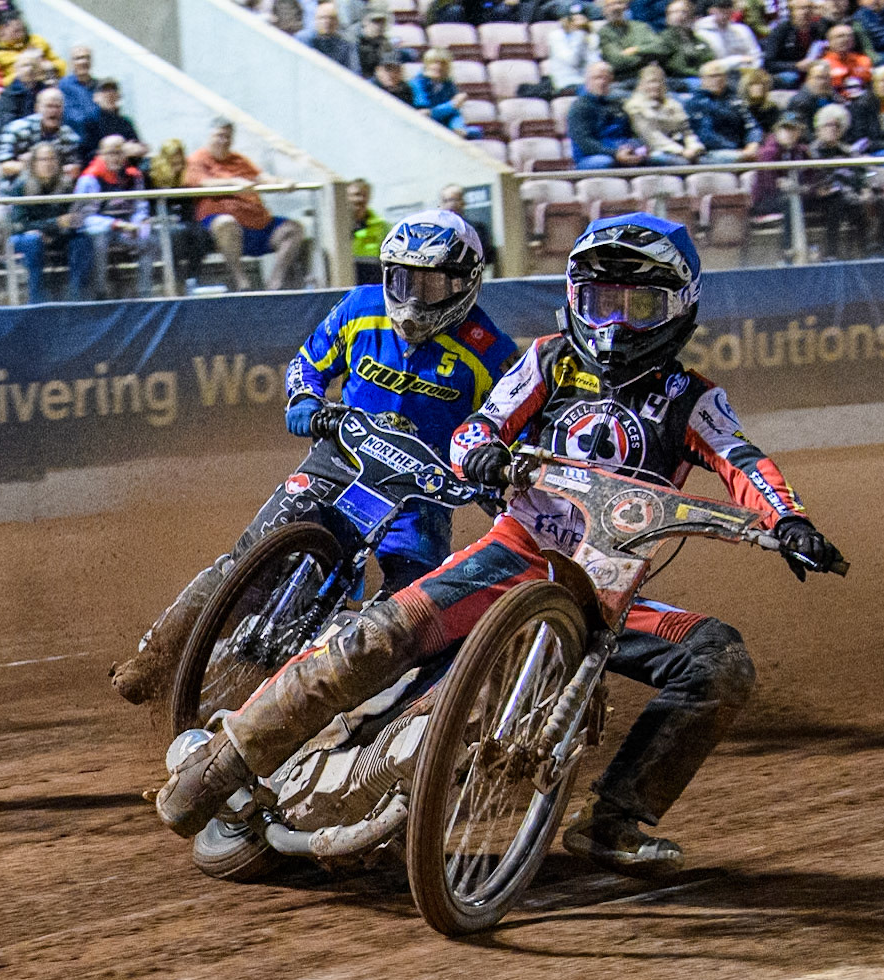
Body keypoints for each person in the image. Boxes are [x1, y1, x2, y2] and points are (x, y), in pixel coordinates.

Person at [155, 216, 844, 881]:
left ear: (677, 307)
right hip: (513, 553)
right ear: (575, 297)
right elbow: (476, 427)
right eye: (601, 301)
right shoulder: (544, 359)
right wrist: (481, 454)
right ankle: (224, 761)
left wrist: (788, 520)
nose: (614, 323)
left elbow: (741, 460)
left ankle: (612, 820)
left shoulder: (691, 397)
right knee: (375, 637)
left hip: (606, 592)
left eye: (639, 304)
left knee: (717, 657)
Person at [111, 210, 514, 705]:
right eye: (404, 280)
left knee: (408, 614)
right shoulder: (360, 308)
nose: (413, 298)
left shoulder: (492, 352)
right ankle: (155, 658)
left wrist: (493, 474)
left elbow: (504, 426)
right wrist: (304, 399)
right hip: (339, 459)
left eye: (432, 285)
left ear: (466, 283)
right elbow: (309, 363)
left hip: (419, 493)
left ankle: (358, 722)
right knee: (250, 555)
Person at [183, 117, 304, 292]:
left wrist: (282, 182)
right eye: (219, 136)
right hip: (221, 226)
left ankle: (275, 284)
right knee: (226, 223)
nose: (224, 141)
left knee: (293, 229)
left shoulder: (239, 160)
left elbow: (262, 177)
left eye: (228, 137)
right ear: (210, 136)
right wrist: (234, 182)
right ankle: (241, 283)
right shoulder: (197, 160)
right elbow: (202, 183)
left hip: (259, 223)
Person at [71, 134, 152, 300]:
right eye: (110, 153)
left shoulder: (134, 176)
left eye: (119, 152)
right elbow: (84, 217)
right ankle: (101, 292)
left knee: (148, 238)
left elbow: (141, 206)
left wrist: (140, 222)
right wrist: (116, 224)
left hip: (128, 227)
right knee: (99, 241)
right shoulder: (89, 178)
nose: (115, 158)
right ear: (101, 154)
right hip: (101, 229)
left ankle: (145, 292)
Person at [7, 140, 84, 304]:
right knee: (33, 240)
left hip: (56, 236)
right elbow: (18, 226)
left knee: (82, 240)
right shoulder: (21, 186)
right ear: (34, 163)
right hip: (24, 239)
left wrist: (60, 227)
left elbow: (71, 220)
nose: (48, 164)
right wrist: (54, 224)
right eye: (43, 160)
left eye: (52, 159)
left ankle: (78, 298)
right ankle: (36, 301)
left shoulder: (66, 186)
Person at [803, 104, 873, 255]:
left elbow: (862, 173)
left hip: (846, 195)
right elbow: (809, 177)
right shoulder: (810, 152)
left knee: (864, 202)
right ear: (819, 128)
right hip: (817, 196)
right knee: (837, 202)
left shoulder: (847, 151)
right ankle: (831, 253)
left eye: (836, 125)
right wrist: (819, 189)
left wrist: (865, 188)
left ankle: (866, 251)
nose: (832, 129)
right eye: (828, 125)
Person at [571, 59, 652, 167]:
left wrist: (639, 148)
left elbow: (628, 133)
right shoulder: (579, 107)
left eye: (606, 78)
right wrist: (615, 154)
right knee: (606, 162)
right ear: (587, 81)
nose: (602, 82)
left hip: (620, 149)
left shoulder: (618, 104)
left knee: (651, 158)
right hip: (590, 157)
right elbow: (586, 143)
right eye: (597, 78)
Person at [626, 61, 708, 161]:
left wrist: (694, 147)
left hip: (680, 146)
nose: (655, 85)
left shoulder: (674, 105)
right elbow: (653, 138)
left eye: (659, 81)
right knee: (680, 163)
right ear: (642, 85)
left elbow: (686, 131)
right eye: (651, 82)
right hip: (652, 149)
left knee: (706, 160)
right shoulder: (635, 106)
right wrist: (681, 151)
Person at [0, 85, 83, 177]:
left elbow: (74, 169)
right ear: (37, 108)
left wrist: (45, 166)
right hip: (19, 183)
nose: (53, 111)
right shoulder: (16, 129)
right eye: (49, 106)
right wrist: (40, 166)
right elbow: (4, 166)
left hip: (54, 184)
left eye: (57, 107)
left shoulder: (69, 136)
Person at [687, 58, 764, 158]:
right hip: (711, 153)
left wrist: (752, 144)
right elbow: (706, 136)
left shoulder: (735, 100)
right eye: (713, 76)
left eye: (721, 75)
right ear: (703, 79)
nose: (718, 79)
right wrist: (737, 150)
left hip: (742, 151)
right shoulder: (695, 103)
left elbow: (752, 125)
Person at [75, 77, 142, 163]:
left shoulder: (125, 122)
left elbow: (137, 147)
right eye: (105, 91)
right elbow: (85, 154)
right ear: (96, 97)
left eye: (113, 90)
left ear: (119, 96)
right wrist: (117, 150)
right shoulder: (90, 122)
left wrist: (138, 149)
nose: (110, 94)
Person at [598, 0, 666, 82]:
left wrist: (635, 50)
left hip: (648, 78)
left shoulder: (640, 26)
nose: (616, 7)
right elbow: (617, 61)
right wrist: (647, 59)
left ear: (626, 7)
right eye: (610, 5)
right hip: (622, 80)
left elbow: (661, 47)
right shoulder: (604, 32)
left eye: (619, 3)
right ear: (604, 11)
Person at [763, 0, 827, 84]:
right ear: (792, 12)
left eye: (809, 8)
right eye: (801, 8)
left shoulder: (819, 29)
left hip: (813, 72)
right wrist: (795, 66)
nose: (806, 11)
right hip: (788, 73)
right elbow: (769, 63)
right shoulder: (781, 30)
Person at [0, 12, 65, 83]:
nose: (16, 25)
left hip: (48, 82)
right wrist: (20, 74)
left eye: (19, 24)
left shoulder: (37, 40)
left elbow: (61, 64)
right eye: (8, 25)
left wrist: (51, 66)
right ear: (0, 33)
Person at [410, 48, 467, 132]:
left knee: (475, 132)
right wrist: (452, 105)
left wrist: (458, 127)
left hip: (446, 126)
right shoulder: (417, 83)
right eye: (434, 62)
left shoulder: (448, 84)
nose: (438, 67)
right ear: (427, 64)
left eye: (443, 63)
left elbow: (455, 113)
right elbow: (426, 112)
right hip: (426, 127)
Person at [695, 0, 762, 69]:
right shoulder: (702, 33)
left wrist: (753, 68)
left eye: (728, 7)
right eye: (721, 8)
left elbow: (756, 55)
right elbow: (711, 63)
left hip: (747, 71)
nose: (726, 12)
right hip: (719, 73)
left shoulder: (742, 29)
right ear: (711, 10)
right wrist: (739, 59)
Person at [438, 182, 495, 264]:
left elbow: (488, 257)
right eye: (446, 200)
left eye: (455, 199)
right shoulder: (435, 231)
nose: (451, 204)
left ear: (463, 202)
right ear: (441, 204)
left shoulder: (478, 229)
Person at [302, 3, 362, 72]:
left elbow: (354, 70)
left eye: (331, 18)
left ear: (337, 21)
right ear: (315, 20)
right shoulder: (305, 39)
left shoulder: (347, 43)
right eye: (322, 18)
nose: (327, 21)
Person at [823, 22, 875, 95]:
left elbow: (872, 86)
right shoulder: (823, 65)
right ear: (829, 41)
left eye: (849, 36)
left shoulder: (864, 60)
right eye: (840, 36)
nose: (845, 39)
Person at [58, 42, 100, 131]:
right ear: (71, 62)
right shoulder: (64, 86)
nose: (83, 62)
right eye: (78, 58)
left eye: (87, 57)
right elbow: (71, 116)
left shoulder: (99, 86)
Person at [741, 64, 784, 130]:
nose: (759, 87)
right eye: (754, 84)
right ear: (747, 87)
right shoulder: (741, 108)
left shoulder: (772, 108)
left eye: (762, 84)